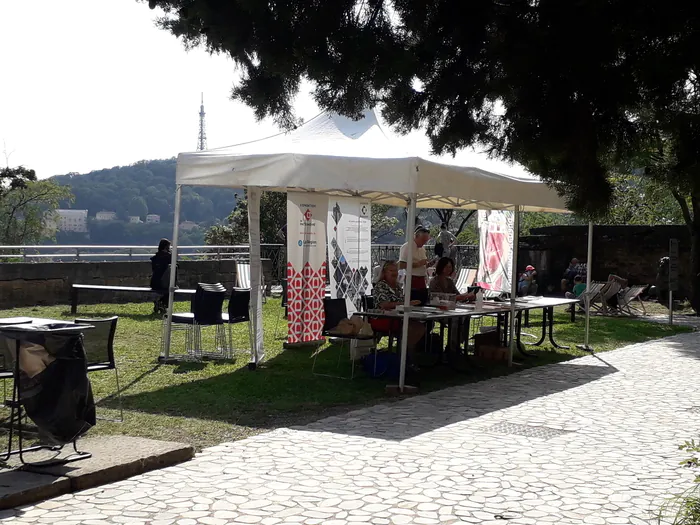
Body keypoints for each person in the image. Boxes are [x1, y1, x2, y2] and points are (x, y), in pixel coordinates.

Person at [371, 260, 426, 358]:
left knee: (420, 327)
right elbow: (384, 305)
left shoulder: (397, 287)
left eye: (396, 270)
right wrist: (405, 303)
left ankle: (406, 353)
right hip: (383, 318)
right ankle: (404, 356)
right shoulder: (381, 286)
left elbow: (402, 301)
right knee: (412, 328)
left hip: (399, 317)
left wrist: (411, 304)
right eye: (391, 270)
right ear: (384, 272)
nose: (394, 273)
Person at [399, 225, 434, 290]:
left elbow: (423, 265)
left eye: (426, 241)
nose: (424, 243)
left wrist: (428, 264)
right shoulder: (407, 247)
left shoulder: (422, 248)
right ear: (416, 237)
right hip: (412, 278)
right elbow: (400, 265)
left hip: (422, 278)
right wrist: (417, 264)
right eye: (423, 240)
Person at [150, 238, 173, 314]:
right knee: (171, 289)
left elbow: (154, 270)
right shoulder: (168, 257)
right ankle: (162, 304)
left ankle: (159, 303)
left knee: (167, 289)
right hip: (163, 282)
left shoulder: (155, 258)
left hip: (154, 282)